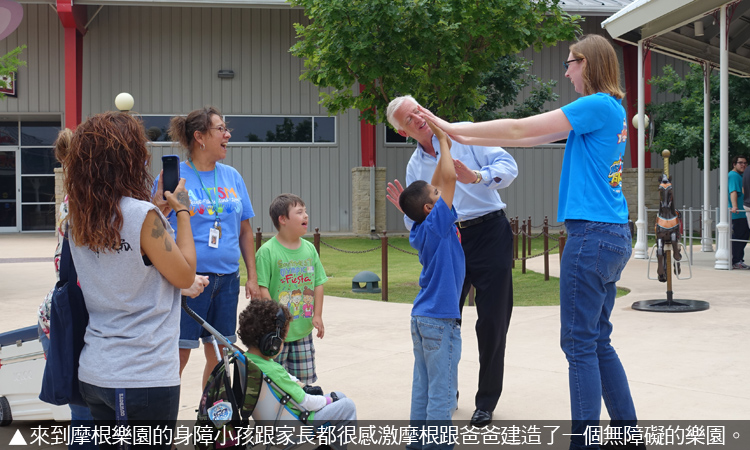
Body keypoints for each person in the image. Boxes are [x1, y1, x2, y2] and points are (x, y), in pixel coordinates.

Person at [421, 34, 644, 450]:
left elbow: (522, 127)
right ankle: (629, 435)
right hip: (611, 234)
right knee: (597, 340)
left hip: (592, 235)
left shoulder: (596, 104)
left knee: (578, 344)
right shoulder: (612, 110)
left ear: (589, 64)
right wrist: (464, 137)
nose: (566, 71)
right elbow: (527, 138)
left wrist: (452, 129)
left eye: (570, 62)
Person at [62, 111, 197, 450]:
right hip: (141, 373)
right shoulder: (140, 216)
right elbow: (184, 275)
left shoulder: (78, 216)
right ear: (129, 158)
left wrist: (155, 213)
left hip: (96, 369)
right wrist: (181, 211)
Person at [385, 95, 518, 427]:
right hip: (450, 241)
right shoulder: (415, 166)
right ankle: (447, 392)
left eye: (417, 109)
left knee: (492, 321)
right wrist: (410, 214)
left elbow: (509, 167)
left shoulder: (465, 133)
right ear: (403, 131)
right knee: (445, 322)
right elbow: (417, 222)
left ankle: (486, 400)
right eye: (409, 118)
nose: (417, 117)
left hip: (489, 231)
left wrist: (476, 176)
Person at [155, 106, 261, 389]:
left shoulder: (232, 176)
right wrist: (159, 204)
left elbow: (245, 230)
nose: (227, 135)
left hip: (227, 281)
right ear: (200, 137)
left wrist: (251, 276)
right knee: (178, 354)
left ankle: (210, 416)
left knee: (221, 353)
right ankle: (159, 420)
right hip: (188, 281)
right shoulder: (175, 178)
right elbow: (154, 228)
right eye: (221, 129)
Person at [399, 121, 463, 446]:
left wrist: (440, 149)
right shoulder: (438, 222)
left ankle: (417, 443)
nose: (442, 193)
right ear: (430, 207)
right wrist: (442, 140)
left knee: (422, 387)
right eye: (437, 196)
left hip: (423, 317)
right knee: (441, 391)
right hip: (440, 321)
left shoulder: (422, 228)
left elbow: (438, 181)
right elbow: (449, 178)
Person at [37, 129, 98, 450]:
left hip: (62, 318)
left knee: (87, 414)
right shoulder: (84, 204)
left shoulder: (75, 198)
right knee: (87, 415)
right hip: (73, 321)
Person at [237, 299, 356, 450]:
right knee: (347, 406)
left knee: (339, 397)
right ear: (271, 342)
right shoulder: (274, 372)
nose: (283, 343)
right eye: (282, 339)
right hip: (295, 423)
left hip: (273, 422)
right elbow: (305, 401)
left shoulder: (248, 361)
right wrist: (327, 400)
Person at [255, 193, 327, 385]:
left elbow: (318, 283)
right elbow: (262, 289)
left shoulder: (310, 249)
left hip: (303, 331)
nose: (306, 216)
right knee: (275, 384)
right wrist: (276, 321)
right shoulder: (267, 252)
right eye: (300, 212)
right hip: (275, 333)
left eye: (306, 212)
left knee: (304, 384)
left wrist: (317, 315)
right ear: (283, 219)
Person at [728, 155, 749, 269]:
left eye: (745, 163)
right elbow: (733, 191)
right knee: (739, 237)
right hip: (738, 214)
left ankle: (738, 260)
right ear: (734, 164)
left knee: (743, 236)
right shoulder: (733, 175)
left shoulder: (741, 176)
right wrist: (735, 206)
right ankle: (736, 261)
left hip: (743, 213)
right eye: (740, 163)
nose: (743, 165)